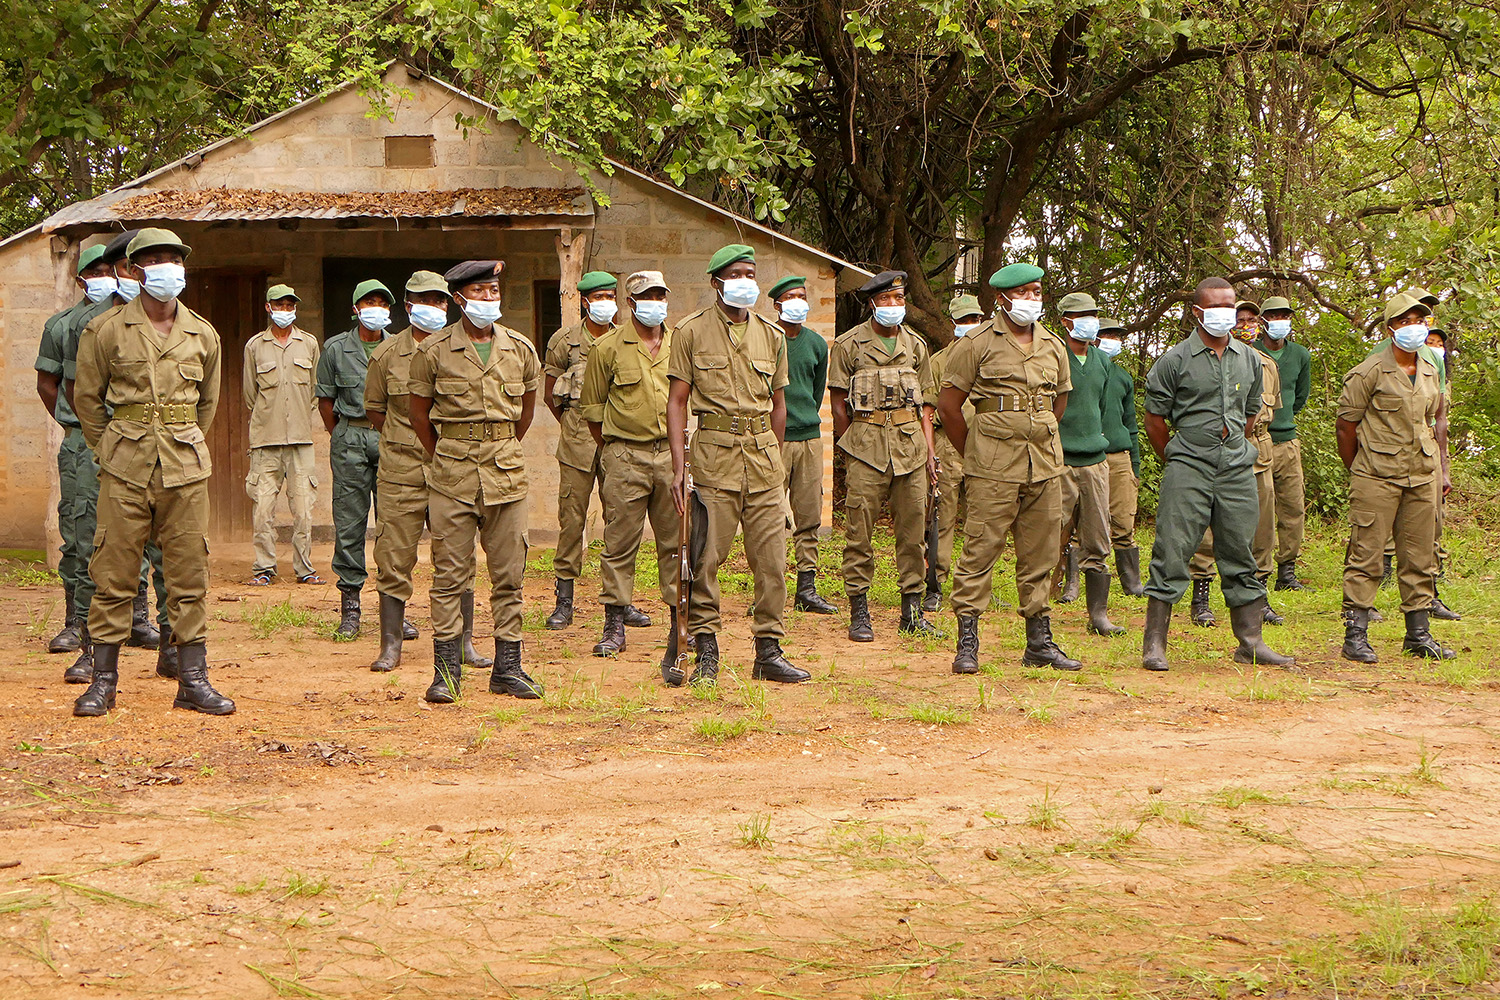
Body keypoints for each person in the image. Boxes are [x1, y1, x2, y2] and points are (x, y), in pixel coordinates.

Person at [71, 228, 233, 716]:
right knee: (113, 573)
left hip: (184, 469)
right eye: (156, 259)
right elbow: (87, 400)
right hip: (125, 468)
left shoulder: (203, 334)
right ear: (136, 270)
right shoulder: (104, 330)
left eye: (174, 260)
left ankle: (193, 680)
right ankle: (103, 682)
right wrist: (112, 448)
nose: (168, 268)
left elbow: (207, 404)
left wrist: (180, 440)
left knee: (189, 574)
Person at [666, 243, 807, 685]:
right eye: (736, 275)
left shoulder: (771, 335)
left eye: (750, 273)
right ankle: (706, 650)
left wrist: (775, 457)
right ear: (716, 283)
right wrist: (679, 468)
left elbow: (779, 405)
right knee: (706, 558)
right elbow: (676, 402)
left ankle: (769, 651)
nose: (745, 281)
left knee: (772, 561)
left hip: (763, 461)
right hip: (714, 459)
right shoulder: (690, 331)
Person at [1138, 277, 1291, 672]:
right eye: (1216, 307)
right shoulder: (1174, 361)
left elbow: (1251, 413)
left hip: (1236, 467)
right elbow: (1154, 420)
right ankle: (1154, 645)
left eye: (1230, 306)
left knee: (1241, 549)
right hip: (1188, 466)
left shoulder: (1249, 359)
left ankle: (1251, 642)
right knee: (1173, 549)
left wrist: (1230, 448)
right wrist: (1179, 455)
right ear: (1197, 312)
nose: (1225, 313)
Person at [408, 260, 544, 703]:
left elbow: (526, 411)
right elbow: (418, 415)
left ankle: (508, 669)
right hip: (453, 475)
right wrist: (450, 452)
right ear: (459, 299)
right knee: (449, 576)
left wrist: (498, 445)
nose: (489, 298)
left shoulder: (519, 348)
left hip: (506, 474)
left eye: (494, 290)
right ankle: (446, 674)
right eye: (480, 291)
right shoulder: (433, 351)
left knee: (510, 575)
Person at [937, 262, 1079, 674]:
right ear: (1002, 298)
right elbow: (949, 407)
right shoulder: (976, 342)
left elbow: (1058, 403)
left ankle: (1039, 642)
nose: (1031, 299)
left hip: (1044, 466)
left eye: (1036, 291)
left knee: (1041, 555)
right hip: (992, 469)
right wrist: (977, 454)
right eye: (1022, 292)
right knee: (980, 551)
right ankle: (967, 642)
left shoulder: (1053, 345)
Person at [54, 230, 172, 683]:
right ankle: (90, 647)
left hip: (164, 454)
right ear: (125, 270)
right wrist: (105, 445)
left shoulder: (179, 325)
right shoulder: (91, 326)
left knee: (168, 552)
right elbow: (78, 394)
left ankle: (172, 645)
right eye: (126, 265)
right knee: (97, 548)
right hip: (106, 453)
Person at [363, 271, 490, 674]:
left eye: (438, 300)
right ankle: (391, 645)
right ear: (408, 305)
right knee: (393, 555)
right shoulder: (386, 355)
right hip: (401, 470)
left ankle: (463, 641)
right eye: (423, 300)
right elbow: (375, 409)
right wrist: (407, 441)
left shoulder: (460, 350)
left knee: (457, 556)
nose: (432, 307)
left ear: (448, 305)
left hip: (451, 469)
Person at [1337, 293, 1453, 662]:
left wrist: (1441, 468)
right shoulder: (1368, 371)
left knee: (1420, 555)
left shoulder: (1432, 368)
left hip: (1422, 474)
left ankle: (1418, 635)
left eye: (1420, 320)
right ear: (1390, 328)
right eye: (1405, 321)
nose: (1414, 327)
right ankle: (1355, 636)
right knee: (1367, 554)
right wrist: (1360, 469)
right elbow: (1346, 427)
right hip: (1376, 476)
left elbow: (1436, 420)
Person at [578, 271, 682, 675]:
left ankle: (679, 623)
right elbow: (593, 410)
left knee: (676, 542)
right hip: (625, 456)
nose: (655, 302)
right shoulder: (606, 348)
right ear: (631, 302)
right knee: (619, 542)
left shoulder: (680, 344)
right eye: (647, 296)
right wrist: (616, 449)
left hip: (672, 456)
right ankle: (615, 624)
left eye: (660, 295)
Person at [830, 270, 942, 642]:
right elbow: (838, 406)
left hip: (910, 451)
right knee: (858, 533)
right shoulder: (848, 345)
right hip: (866, 449)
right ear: (872, 304)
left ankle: (912, 611)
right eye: (886, 299)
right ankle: (859, 612)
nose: (894, 305)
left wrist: (929, 452)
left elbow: (926, 407)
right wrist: (852, 445)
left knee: (913, 534)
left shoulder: (917, 346)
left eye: (899, 298)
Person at [542, 271, 651, 632]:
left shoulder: (627, 338)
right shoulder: (564, 342)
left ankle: (622, 600)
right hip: (576, 442)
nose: (605, 303)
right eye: (598, 297)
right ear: (585, 301)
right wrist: (572, 424)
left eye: (609, 296)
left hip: (617, 441)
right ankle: (564, 601)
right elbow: (550, 395)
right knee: (571, 520)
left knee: (621, 521)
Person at [1185, 299, 1288, 627]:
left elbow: (1270, 411)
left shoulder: (1267, 365)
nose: (1246, 326)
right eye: (1239, 319)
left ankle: (1258, 597)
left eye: (1251, 320)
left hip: (1258, 452)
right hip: (1217, 449)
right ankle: (1201, 596)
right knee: (1207, 526)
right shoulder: (1209, 359)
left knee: (1261, 528)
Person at [36, 245, 116, 657]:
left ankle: (136, 617)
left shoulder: (129, 321)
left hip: (128, 439)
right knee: (80, 529)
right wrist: (76, 423)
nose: (104, 277)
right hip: (82, 442)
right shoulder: (64, 325)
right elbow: (48, 384)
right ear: (81, 279)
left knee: (131, 531)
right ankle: (77, 621)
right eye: (95, 271)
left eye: (110, 270)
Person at [316, 279, 391, 638]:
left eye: (382, 303)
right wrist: (342, 435)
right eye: (369, 302)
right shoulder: (335, 348)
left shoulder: (397, 347)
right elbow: (325, 401)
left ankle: (393, 607)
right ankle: (351, 609)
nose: (376, 308)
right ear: (355, 309)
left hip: (389, 438)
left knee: (393, 526)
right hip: (350, 438)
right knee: (349, 525)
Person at [1054, 291, 1124, 636]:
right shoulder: (1055, 356)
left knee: (1097, 538)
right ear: (1065, 321)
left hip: (1095, 462)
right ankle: (1041, 607)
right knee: (1049, 535)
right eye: (1082, 316)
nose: (1090, 322)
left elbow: (1102, 407)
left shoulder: (1102, 361)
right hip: (1059, 461)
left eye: (1094, 315)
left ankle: (1098, 615)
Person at [243, 284, 322, 587]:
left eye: (290, 306)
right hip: (265, 441)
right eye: (279, 305)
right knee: (263, 509)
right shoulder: (254, 346)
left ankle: (305, 569)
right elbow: (250, 394)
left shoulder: (309, 344)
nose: (285, 311)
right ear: (268, 307)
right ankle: (264, 568)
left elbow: (313, 391)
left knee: (303, 511)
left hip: (301, 441)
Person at [771, 275, 836, 615]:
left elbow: (817, 389)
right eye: (790, 297)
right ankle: (769, 588)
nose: (798, 302)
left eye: (802, 295)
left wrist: (805, 417)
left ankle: (806, 588)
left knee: (809, 514)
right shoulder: (768, 340)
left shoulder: (816, 344)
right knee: (770, 516)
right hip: (774, 440)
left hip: (809, 438)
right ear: (777, 305)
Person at [925, 295, 981, 612]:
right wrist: (931, 453)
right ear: (953, 323)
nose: (970, 325)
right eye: (964, 320)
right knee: (942, 518)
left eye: (975, 319)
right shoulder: (938, 362)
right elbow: (928, 410)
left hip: (983, 444)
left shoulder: (990, 356)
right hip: (947, 444)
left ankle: (974, 586)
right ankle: (935, 584)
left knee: (981, 520)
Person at [1256, 295, 1312, 591]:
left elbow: (1300, 396)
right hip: (1257, 442)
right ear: (1263, 321)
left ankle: (1287, 572)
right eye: (1275, 316)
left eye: (1285, 316)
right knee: (1260, 511)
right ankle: (1258, 571)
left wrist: (1284, 417)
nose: (1280, 321)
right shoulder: (1250, 353)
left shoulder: (1300, 355)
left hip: (1288, 442)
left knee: (1293, 507)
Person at [1096, 317, 1143, 596]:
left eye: (1117, 335)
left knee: (1124, 521)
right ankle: (1074, 582)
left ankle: (1131, 581)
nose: (1113, 340)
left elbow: (1131, 424)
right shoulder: (1079, 372)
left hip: (1120, 458)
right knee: (1082, 525)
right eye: (1108, 334)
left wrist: (1134, 465)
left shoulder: (1123, 377)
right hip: (1089, 457)